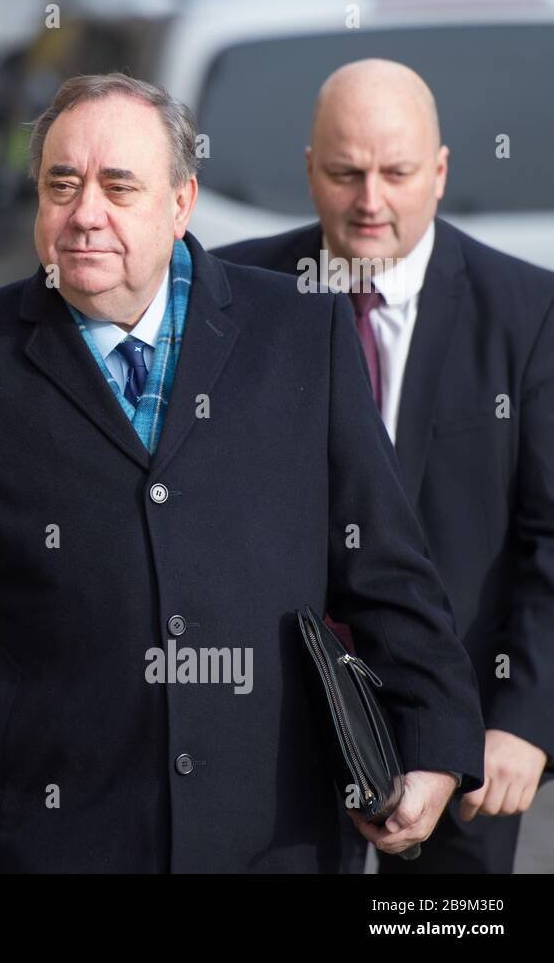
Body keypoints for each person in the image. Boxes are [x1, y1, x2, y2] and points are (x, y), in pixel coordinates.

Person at [0, 72, 486, 873]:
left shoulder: (302, 334)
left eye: (118, 186)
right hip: (62, 838)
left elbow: (388, 568)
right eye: (63, 184)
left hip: (278, 835)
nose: (85, 212)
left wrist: (437, 743)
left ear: (180, 202)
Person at [214, 58, 554, 874]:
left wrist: (526, 720)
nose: (371, 201)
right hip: (279, 739)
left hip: (469, 738)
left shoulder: (529, 313)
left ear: (438, 173)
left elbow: (551, 538)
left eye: (397, 173)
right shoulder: (234, 294)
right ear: (308, 170)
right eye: (345, 173)